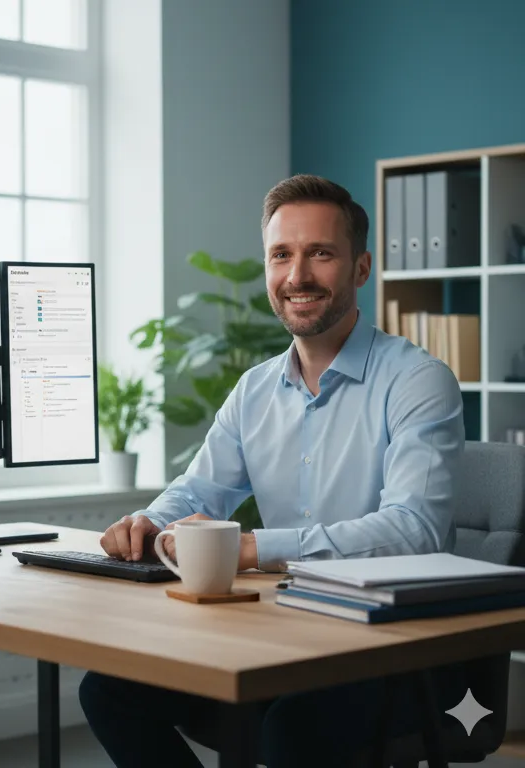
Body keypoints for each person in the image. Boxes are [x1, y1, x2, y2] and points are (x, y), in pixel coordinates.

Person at [79, 174, 468, 768]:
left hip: (389, 649)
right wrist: (148, 523)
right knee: (109, 690)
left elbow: (415, 530)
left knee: (291, 729)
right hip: (284, 636)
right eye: (281, 255)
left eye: (321, 253)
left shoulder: (417, 380)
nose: (298, 276)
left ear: (361, 268)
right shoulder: (254, 389)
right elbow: (201, 489)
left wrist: (252, 547)